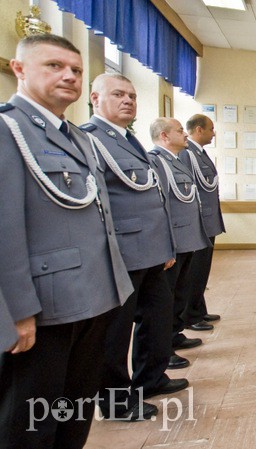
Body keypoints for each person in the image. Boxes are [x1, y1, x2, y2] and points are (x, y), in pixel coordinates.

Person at [0, 34, 133, 448]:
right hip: (45, 308)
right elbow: (4, 228)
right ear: (19, 70)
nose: (69, 76)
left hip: (94, 298)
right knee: (30, 423)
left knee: (74, 411)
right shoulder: (9, 130)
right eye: (54, 66)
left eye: (75, 70)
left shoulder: (78, 138)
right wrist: (18, 311)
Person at [81, 74, 186, 421]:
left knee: (156, 319)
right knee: (115, 333)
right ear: (95, 98)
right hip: (122, 254)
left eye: (131, 95)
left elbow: (152, 199)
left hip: (152, 252)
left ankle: (150, 379)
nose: (128, 100)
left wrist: (167, 246)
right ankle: (115, 402)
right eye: (118, 94)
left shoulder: (129, 140)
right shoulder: (90, 139)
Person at [148, 118, 211, 362]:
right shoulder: (155, 161)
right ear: (164, 136)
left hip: (187, 238)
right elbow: (160, 206)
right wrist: (166, 246)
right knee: (166, 297)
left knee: (180, 292)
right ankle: (164, 351)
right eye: (179, 130)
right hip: (174, 241)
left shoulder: (175, 161)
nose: (184, 134)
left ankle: (174, 335)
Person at [181, 114, 225, 331]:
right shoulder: (186, 154)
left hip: (207, 221)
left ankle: (198, 310)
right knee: (194, 271)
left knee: (202, 270)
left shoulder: (198, 153)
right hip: (198, 222)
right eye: (211, 129)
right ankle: (190, 315)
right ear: (199, 130)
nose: (213, 133)